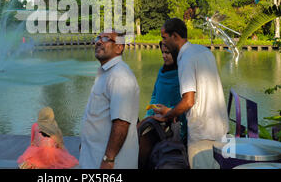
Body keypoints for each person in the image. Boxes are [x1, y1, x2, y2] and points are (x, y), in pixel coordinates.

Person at [152, 18, 229, 169]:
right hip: (220, 130)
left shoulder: (185, 59)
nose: (163, 42)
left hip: (202, 135)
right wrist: (172, 111)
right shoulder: (203, 51)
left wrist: (167, 115)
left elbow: (188, 101)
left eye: (164, 38)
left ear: (175, 36)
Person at [79, 30, 140, 169]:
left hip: (110, 163)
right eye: (98, 38)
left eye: (106, 38)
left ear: (119, 47)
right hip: (94, 157)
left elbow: (121, 122)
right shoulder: (106, 73)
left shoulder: (120, 76)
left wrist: (109, 158)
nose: (99, 41)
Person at [141, 41, 187, 144]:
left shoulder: (182, 74)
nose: (163, 56)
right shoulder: (161, 71)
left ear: (176, 53)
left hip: (173, 125)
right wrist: (149, 114)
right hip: (155, 120)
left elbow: (186, 105)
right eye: (162, 52)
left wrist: (169, 112)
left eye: (167, 53)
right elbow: (154, 95)